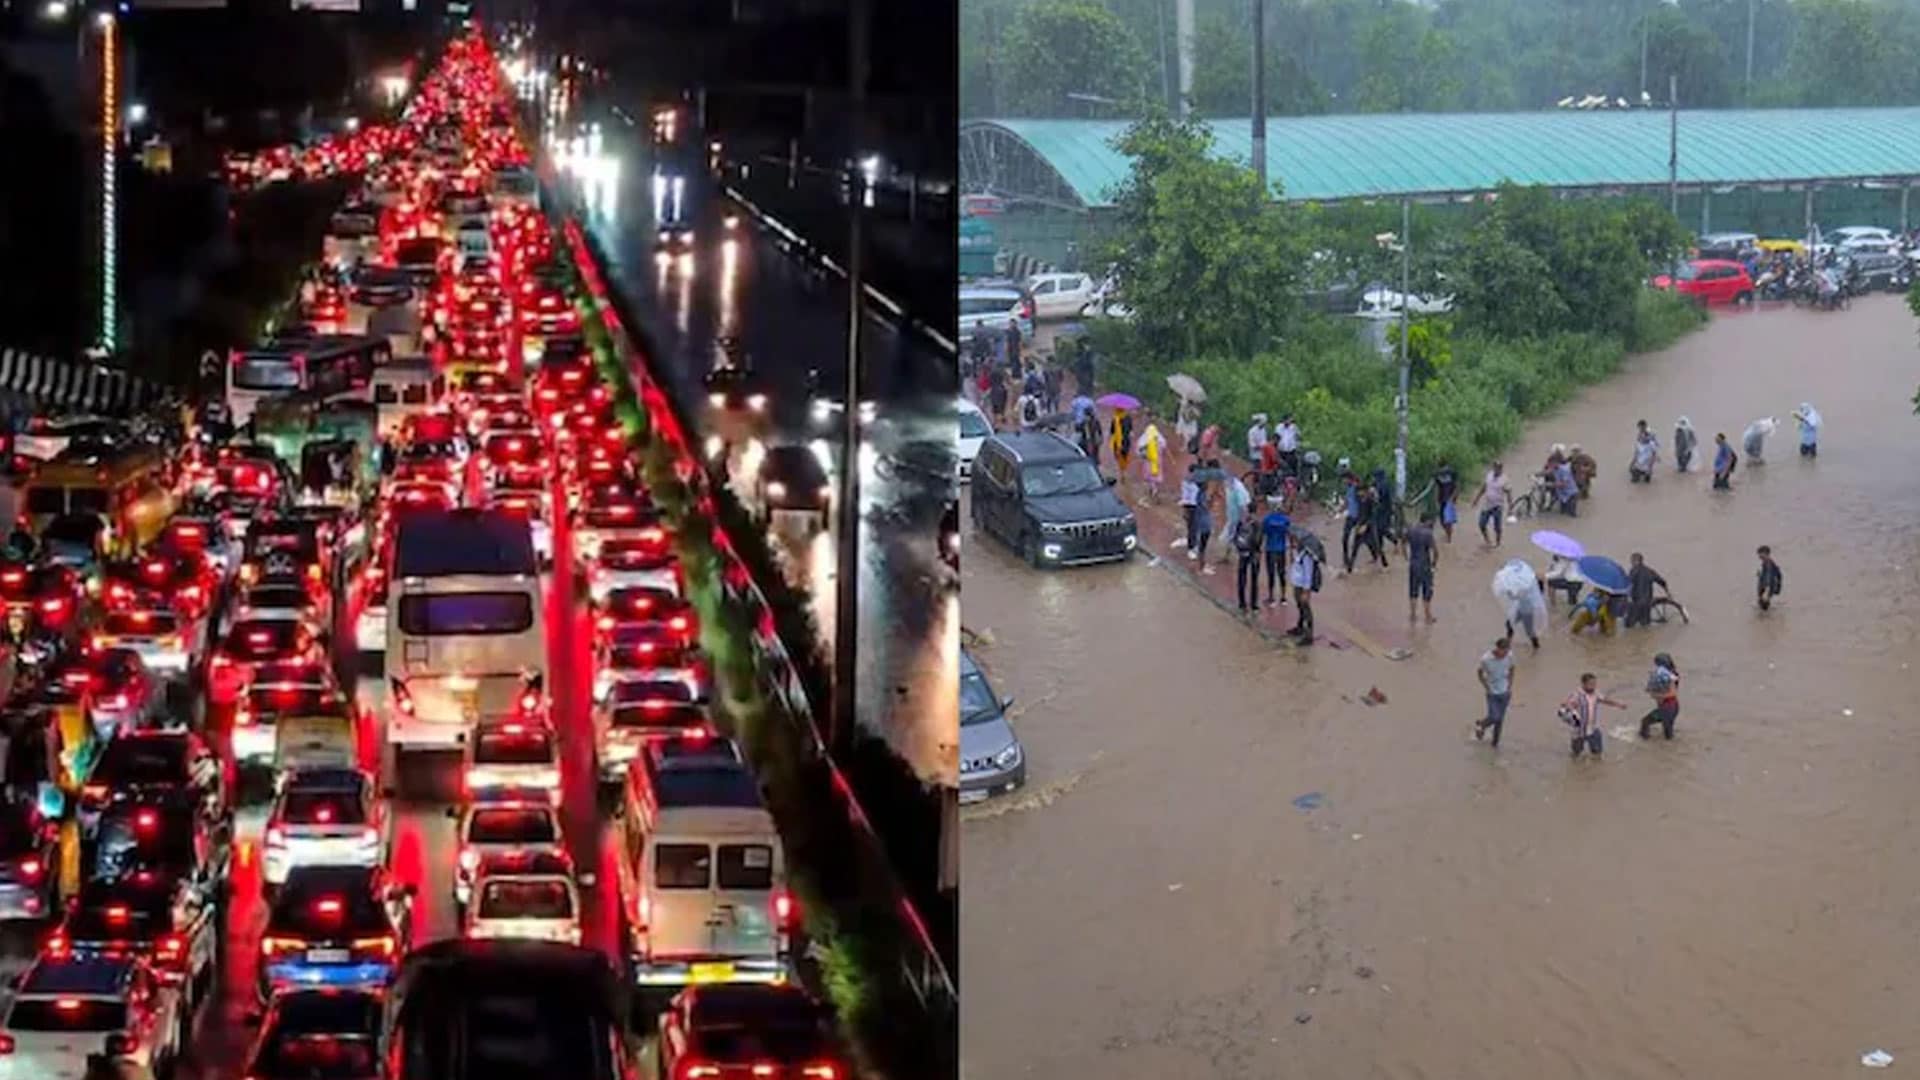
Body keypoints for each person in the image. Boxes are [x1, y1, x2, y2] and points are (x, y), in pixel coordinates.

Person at [1560, 672, 1626, 759]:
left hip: (1593, 728)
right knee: (1576, 756)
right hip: (1579, 731)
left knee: (1598, 754)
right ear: (1583, 684)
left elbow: (1605, 700)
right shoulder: (1576, 695)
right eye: (1591, 684)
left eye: (1594, 684)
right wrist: (1567, 706)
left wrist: (1619, 704)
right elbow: (1565, 706)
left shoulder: (1596, 693)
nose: (1593, 686)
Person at [1474, 637, 1515, 746]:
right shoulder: (1486, 659)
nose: (1505, 654)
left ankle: (1495, 744)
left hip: (1505, 692)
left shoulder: (1509, 656)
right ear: (1498, 649)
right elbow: (1479, 673)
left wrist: (1510, 685)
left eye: (1507, 651)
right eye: (1504, 651)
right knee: (1494, 717)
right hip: (1492, 692)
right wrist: (1486, 687)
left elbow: (1512, 669)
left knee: (1500, 720)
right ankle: (1482, 724)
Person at [1638, 653, 1681, 741]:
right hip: (1673, 707)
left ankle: (1644, 743)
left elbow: (1672, 693)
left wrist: (1656, 695)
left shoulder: (1667, 676)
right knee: (1668, 733)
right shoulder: (1672, 674)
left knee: (1645, 722)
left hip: (1667, 708)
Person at [1405, 511, 1438, 623]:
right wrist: (1434, 564)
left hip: (1413, 564)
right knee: (1427, 591)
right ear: (1428, 521)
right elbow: (1436, 552)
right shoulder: (1428, 533)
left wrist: (1406, 557)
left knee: (1413, 590)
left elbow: (1402, 543)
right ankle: (1428, 616)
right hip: (1425, 565)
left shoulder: (1411, 530)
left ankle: (1413, 615)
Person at [1623, 552, 1670, 628]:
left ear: (1636, 561)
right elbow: (1662, 581)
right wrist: (1667, 592)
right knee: (1645, 625)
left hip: (1636, 602)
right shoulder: (1650, 571)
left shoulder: (1633, 571)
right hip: (1648, 602)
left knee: (1629, 626)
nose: (1631, 563)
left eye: (1632, 561)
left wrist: (1626, 595)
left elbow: (1629, 584)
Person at [1289, 537, 1321, 643]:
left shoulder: (1306, 556)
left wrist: (1306, 591)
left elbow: (1308, 574)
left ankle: (1309, 635)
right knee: (1300, 607)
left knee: (1306, 608)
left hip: (1303, 586)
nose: (1293, 542)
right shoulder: (1297, 553)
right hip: (1297, 584)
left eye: (1295, 540)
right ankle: (1300, 627)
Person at [1471, 461, 1510, 546]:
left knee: (1497, 527)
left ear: (1501, 469)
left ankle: (1498, 542)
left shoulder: (1504, 479)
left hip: (1497, 506)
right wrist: (1476, 499)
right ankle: (1487, 540)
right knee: (1481, 524)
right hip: (1487, 505)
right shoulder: (1489, 475)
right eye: (1495, 467)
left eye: (1498, 468)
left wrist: (1510, 506)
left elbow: (1508, 492)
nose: (1496, 469)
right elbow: (1483, 488)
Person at [1232, 505, 1263, 613]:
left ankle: (1242, 603)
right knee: (1254, 579)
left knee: (1242, 578)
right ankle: (1253, 604)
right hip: (1254, 554)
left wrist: (1239, 548)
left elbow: (1235, 537)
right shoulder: (1257, 523)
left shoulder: (1242, 522)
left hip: (1243, 552)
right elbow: (1258, 540)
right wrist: (1257, 550)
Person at [1261, 497, 1290, 607]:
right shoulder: (1285, 520)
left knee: (1271, 573)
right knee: (1282, 573)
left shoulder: (1267, 519)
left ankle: (1271, 597)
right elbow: (1288, 533)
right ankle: (1283, 597)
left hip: (1270, 548)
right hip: (1281, 549)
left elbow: (1263, 533)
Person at [1221, 470, 1252, 566]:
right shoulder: (1229, 486)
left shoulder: (1238, 489)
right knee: (1231, 537)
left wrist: (1244, 521)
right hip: (1232, 516)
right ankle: (1227, 556)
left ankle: (1231, 556)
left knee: (1234, 537)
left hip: (1238, 518)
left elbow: (1243, 507)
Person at [1339, 471, 1365, 572]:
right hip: (1350, 516)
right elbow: (1347, 501)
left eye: (1344, 479)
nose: (1343, 482)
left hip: (1358, 517)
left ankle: (1351, 562)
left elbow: (1362, 504)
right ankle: (1346, 559)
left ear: (1349, 479)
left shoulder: (1357, 488)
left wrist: (1362, 520)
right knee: (1345, 538)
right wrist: (1340, 510)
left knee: (1357, 541)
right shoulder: (1348, 488)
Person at [1367, 468, 1395, 564]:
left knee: (1381, 531)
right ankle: (1380, 555)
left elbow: (1380, 497)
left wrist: (1373, 494)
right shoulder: (1377, 484)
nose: (1373, 478)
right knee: (1380, 532)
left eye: (1374, 476)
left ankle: (1394, 542)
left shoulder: (1384, 485)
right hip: (1379, 512)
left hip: (1384, 511)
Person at [1137, 418, 1165, 503]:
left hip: (1148, 461)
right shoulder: (1159, 438)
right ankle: (1154, 488)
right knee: (1156, 475)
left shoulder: (1145, 438)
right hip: (1157, 461)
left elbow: (1139, 448)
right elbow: (1163, 446)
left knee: (1150, 476)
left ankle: (1153, 489)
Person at [1175, 464, 1201, 554]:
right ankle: (1192, 546)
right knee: (1192, 527)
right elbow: (1185, 496)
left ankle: (1193, 544)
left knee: (1194, 527)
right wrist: (1185, 508)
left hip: (1196, 505)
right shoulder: (1187, 482)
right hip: (1191, 506)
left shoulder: (1197, 481)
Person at [1432, 460, 1459, 542]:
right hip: (1441, 499)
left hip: (1449, 498)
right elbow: (1436, 488)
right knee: (1442, 520)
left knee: (1448, 519)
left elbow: (1457, 486)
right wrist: (1436, 500)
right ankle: (1448, 532)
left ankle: (1449, 537)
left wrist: (1454, 497)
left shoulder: (1452, 473)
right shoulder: (1437, 475)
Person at [1756, 545, 1784, 611]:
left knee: (1763, 607)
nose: (1759, 556)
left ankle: (1765, 619)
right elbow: (1778, 574)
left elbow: (1770, 576)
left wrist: (1767, 589)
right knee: (1763, 606)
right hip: (1766, 588)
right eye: (1759, 554)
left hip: (1766, 588)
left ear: (1766, 553)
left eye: (1760, 553)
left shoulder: (1768, 563)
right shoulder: (1767, 563)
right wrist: (1760, 575)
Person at [1110, 409, 1134, 476]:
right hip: (1126, 441)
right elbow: (1131, 430)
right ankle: (1124, 471)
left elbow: (1112, 431)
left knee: (1119, 456)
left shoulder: (1115, 418)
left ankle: (1121, 471)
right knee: (1125, 456)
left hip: (1118, 442)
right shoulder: (1128, 418)